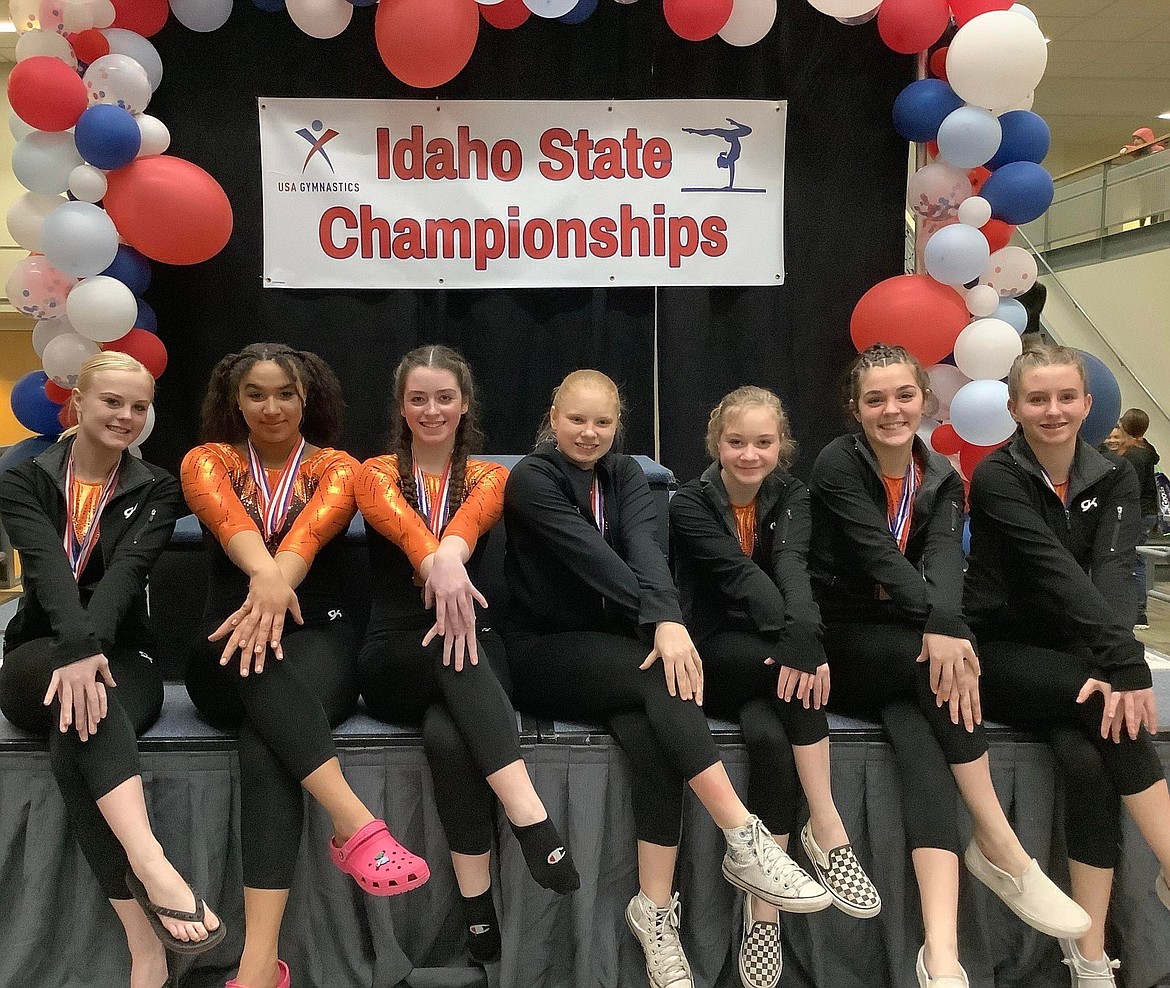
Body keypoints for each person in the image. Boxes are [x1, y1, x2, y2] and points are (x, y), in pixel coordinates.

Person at [503, 369, 830, 988]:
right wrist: (664, 622)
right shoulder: (533, 478)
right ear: (553, 416)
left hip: (622, 646)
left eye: (602, 421)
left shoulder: (629, 475)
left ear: (618, 422)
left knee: (656, 741)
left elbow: (648, 554)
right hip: (543, 652)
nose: (589, 432)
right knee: (665, 680)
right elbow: (593, 561)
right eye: (577, 419)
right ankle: (743, 836)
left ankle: (654, 914)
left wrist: (665, 622)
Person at [808, 343, 1090, 988]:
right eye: (875, 399)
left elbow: (943, 561)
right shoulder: (836, 465)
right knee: (942, 671)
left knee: (922, 740)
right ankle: (1002, 845)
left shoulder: (939, 473)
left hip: (910, 642)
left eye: (904, 396)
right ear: (855, 408)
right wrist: (943, 631)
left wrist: (947, 626)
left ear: (924, 401)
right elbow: (878, 556)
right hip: (843, 638)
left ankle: (940, 953)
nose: (891, 409)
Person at [181, 344, 428, 988]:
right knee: (254, 671)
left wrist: (271, 586)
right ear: (235, 401)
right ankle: (354, 821)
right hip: (223, 646)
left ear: (307, 399)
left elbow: (306, 539)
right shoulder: (206, 461)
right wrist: (261, 580)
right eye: (256, 394)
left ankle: (259, 966)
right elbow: (232, 523)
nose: (271, 407)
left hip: (316, 639)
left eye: (284, 394)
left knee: (271, 743)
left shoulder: (338, 468)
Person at [0, 352, 224, 988]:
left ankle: (142, 944)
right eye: (112, 402)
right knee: (81, 701)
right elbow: (45, 567)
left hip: (125, 657)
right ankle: (154, 866)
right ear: (77, 405)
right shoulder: (25, 478)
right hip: (37, 653)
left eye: (139, 406)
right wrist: (73, 649)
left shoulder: (155, 486)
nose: (126, 416)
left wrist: (88, 651)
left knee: (80, 729)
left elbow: (126, 578)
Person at [355, 345, 579, 965]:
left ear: (465, 405)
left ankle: (477, 913)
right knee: (451, 654)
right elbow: (400, 524)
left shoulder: (489, 477)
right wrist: (436, 564)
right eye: (419, 398)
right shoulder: (369, 473)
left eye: (444, 397)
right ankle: (531, 819)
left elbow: (473, 521)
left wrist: (450, 558)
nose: (432, 410)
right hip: (395, 653)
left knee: (452, 738)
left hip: (477, 649)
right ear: (402, 406)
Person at [965, 346, 1170, 988]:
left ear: (1087, 404)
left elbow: (1112, 574)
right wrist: (1123, 667)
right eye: (1036, 399)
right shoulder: (997, 477)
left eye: (1064, 398)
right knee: (1104, 708)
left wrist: (1113, 659)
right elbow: (1055, 576)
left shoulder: (1116, 475)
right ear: (1013, 408)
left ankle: (1088, 953)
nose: (1051, 411)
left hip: (1079, 655)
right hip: (1003, 654)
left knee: (1088, 759)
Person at [669, 386, 880, 988]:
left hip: (776, 650)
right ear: (716, 444)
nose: (749, 454)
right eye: (736, 442)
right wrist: (799, 645)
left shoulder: (792, 495)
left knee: (769, 738)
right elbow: (733, 576)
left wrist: (804, 633)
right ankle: (827, 827)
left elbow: (791, 563)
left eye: (763, 442)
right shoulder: (689, 502)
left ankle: (765, 914)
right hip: (715, 652)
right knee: (803, 680)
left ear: (781, 445)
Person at [1102, 408, 1161, 629]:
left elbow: (1129, 489)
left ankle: (1138, 612)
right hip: (1145, 511)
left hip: (1138, 512)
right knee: (1138, 559)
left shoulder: (1134, 458)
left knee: (1136, 560)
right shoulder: (1146, 452)